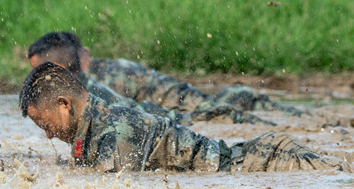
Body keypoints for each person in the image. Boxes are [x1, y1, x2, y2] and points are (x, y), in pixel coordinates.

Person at [19, 62, 342, 173]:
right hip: (263, 158)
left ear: (64, 104)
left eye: (45, 124)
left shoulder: (114, 131)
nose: (48, 135)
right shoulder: (91, 130)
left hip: (272, 162)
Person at [26, 31, 292, 124]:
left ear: (58, 67)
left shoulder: (93, 87)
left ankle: (288, 115)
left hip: (172, 106)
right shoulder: (89, 80)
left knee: (220, 109)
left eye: (38, 69)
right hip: (163, 106)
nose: (35, 77)